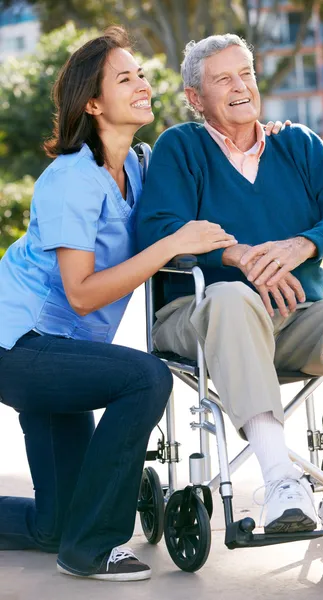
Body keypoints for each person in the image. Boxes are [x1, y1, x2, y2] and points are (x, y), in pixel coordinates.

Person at [0, 27, 246, 582]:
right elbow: (82, 293)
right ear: (92, 102)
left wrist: (259, 133)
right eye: (125, 77)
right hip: (22, 347)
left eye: (141, 74)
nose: (143, 83)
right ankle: (94, 549)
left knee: (52, 523)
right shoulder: (71, 180)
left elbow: (212, 162)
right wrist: (168, 246)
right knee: (145, 378)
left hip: (65, 351)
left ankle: (69, 536)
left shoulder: (138, 164)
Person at [136, 34, 323, 549]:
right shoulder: (180, 147)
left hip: (292, 318)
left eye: (247, 73)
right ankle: (281, 480)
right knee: (234, 297)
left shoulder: (296, 142)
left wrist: (302, 245)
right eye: (223, 79)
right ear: (196, 98)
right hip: (199, 315)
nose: (241, 87)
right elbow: (160, 228)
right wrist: (240, 257)